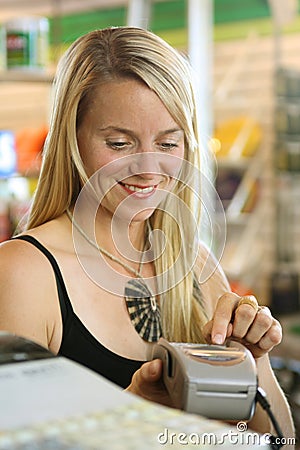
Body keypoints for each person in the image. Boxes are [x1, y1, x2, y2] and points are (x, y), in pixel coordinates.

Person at [0, 26, 294, 441]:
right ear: (71, 140)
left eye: (169, 144)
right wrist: (132, 405)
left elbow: (277, 439)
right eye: (119, 144)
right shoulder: (23, 273)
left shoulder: (197, 268)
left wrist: (253, 361)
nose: (148, 169)